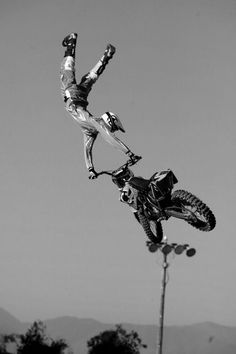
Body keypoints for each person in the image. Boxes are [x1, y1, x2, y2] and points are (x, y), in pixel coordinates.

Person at [60, 33, 141, 179]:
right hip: (73, 99)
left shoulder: (90, 130)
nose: (112, 130)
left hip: (80, 98)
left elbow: (87, 149)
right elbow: (109, 137)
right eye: (114, 127)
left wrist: (91, 169)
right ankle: (72, 42)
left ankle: (106, 57)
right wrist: (128, 153)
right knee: (68, 71)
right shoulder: (97, 124)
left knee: (90, 78)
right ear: (109, 121)